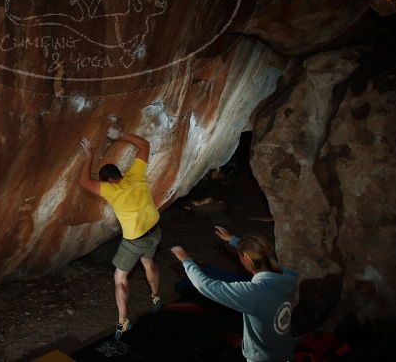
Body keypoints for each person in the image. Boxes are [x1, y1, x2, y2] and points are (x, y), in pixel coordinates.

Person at [78, 127, 161, 340]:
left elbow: (84, 182)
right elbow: (144, 145)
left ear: (106, 181)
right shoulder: (136, 175)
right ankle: (155, 298)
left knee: (120, 278)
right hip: (155, 231)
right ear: (120, 174)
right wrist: (120, 136)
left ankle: (123, 322)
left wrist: (89, 157)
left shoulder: (111, 190)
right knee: (148, 263)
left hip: (135, 239)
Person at [171, 226, 299, 362]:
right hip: (284, 350)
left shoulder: (253, 293)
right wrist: (233, 240)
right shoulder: (288, 276)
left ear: (247, 260)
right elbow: (263, 254)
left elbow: (205, 285)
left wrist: (187, 261)